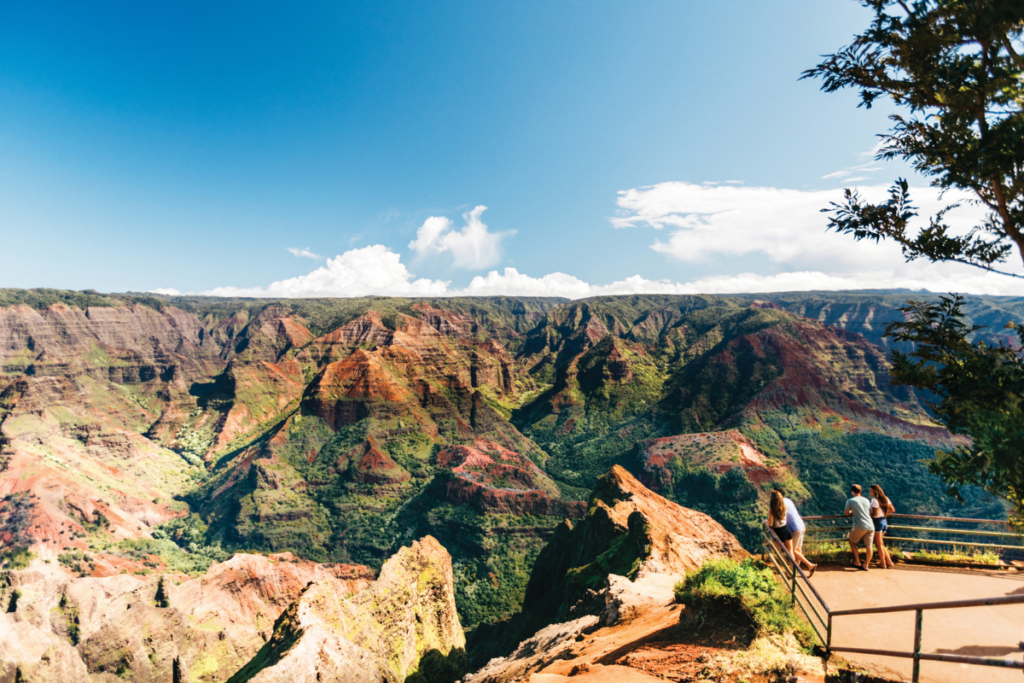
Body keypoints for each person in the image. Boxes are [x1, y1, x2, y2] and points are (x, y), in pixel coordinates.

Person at [768, 490, 815, 575]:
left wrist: (766, 522)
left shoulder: (772, 509)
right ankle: (794, 571)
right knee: (795, 550)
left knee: (787, 551)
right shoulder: (785, 504)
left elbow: (771, 524)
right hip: (800, 526)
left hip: (793, 529)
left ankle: (808, 565)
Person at [845, 484, 875, 570]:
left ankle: (857, 562)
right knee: (869, 546)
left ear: (852, 491)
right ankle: (866, 564)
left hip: (859, 525)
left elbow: (846, 513)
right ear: (860, 491)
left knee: (852, 541)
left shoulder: (850, 501)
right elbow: (870, 511)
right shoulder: (866, 500)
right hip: (870, 525)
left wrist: (852, 511)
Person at [869, 484, 895, 569]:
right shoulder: (886, 499)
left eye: (871, 490)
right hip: (884, 521)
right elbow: (892, 510)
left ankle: (883, 563)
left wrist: (868, 515)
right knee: (881, 543)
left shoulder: (874, 500)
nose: (870, 492)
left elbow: (875, 514)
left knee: (878, 544)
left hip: (877, 522)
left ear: (875, 491)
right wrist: (884, 513)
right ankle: (889, 561)